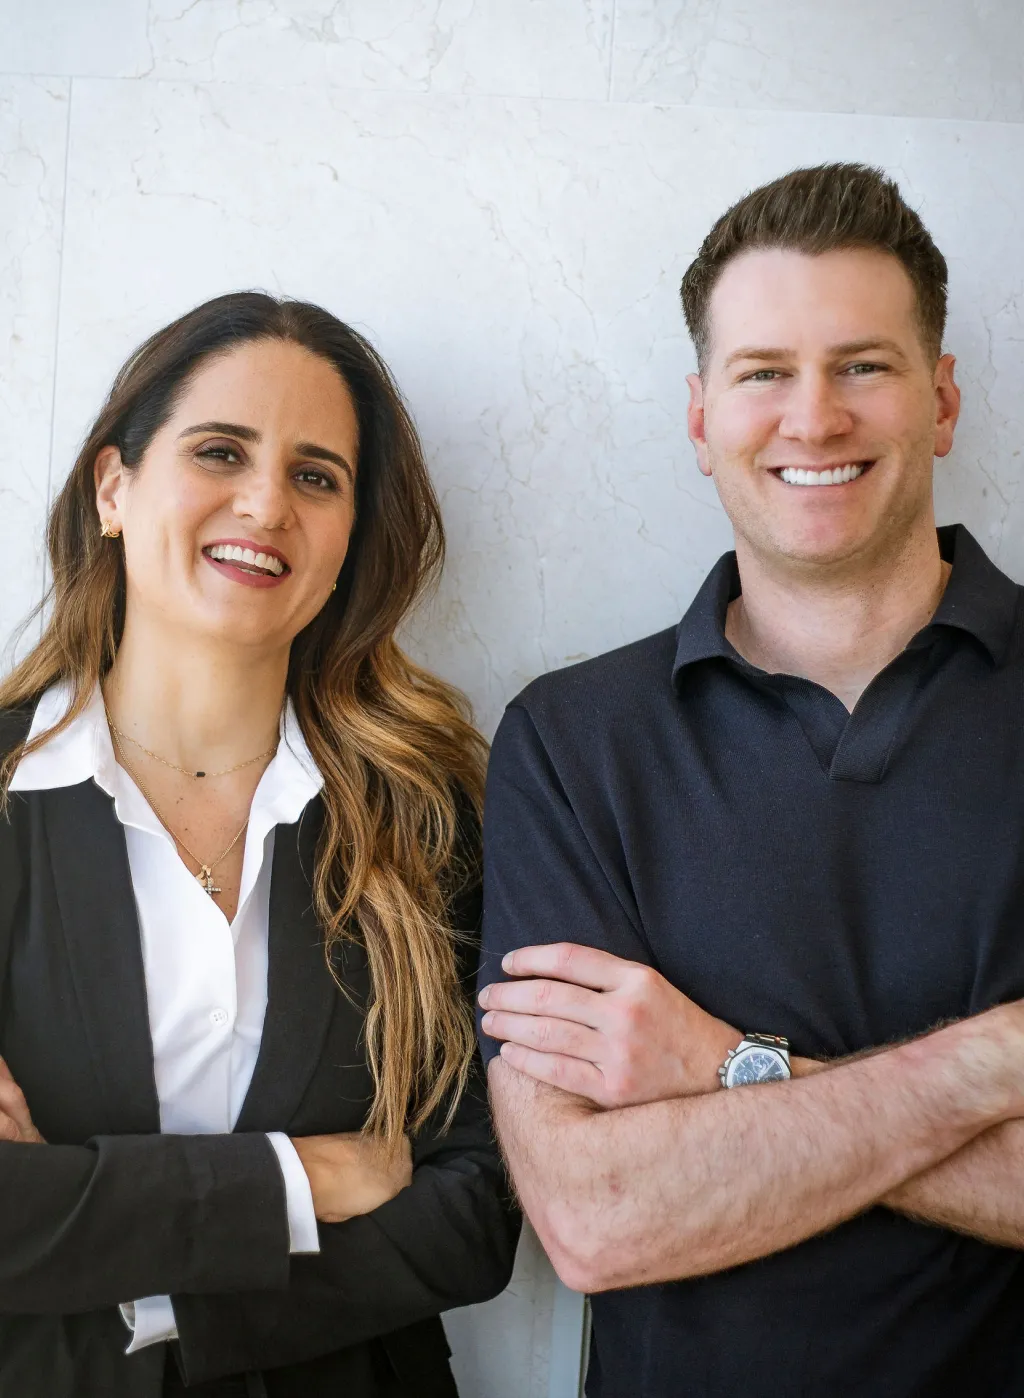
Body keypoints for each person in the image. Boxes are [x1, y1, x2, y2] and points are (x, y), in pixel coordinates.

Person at [476, 163, 1024, 1398]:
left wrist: (722, 1070)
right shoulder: (572, 742)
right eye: (764, 371)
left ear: (940, 401)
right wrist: (984, 1070)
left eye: (863, 366)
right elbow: (597, 1218)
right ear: (699, 414)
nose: (813, 417)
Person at [0, 291, 518, 1398]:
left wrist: (126, 1270)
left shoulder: (424, 819)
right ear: (113, 488)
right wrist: (297, 1181)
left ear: (347, 540)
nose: (266, 502)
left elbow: (475, 1208)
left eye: (316, 476)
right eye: (221, 450)